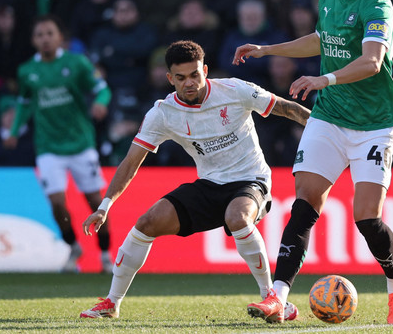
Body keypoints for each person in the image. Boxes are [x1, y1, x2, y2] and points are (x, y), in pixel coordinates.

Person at [233, 0, 393, 325]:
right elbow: (320, 40)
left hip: (374, 124)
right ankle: (277, 297)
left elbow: (372, 62)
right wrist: (267, 49)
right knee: (305, 200)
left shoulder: (377, 4)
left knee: (367, 218)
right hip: (329, 116)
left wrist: (323, 80)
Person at [78, 40, 310, 319]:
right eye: (181, 77)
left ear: (205, 70)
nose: (189, 83)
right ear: (169, 79)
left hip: (250, 179)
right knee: (146, 223)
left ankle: (271, 299)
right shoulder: (162, 113)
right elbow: (130, 161)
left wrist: (327, 134)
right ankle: (112, 303)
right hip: (209, 184)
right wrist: (104, 207)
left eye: (195, 75)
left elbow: (289, 109)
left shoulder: (235, 90)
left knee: (238, 217)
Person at [3, 14, 113, 273]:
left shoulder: (78, 63)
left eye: (49, 33)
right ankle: (73, 246)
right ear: (33, 40)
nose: (45, 39)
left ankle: (106, 254)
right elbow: (24, 104)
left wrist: (101, 103)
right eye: (39, 35)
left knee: (95, 202)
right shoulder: (27, 71)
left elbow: (103, 89)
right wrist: (14, 130)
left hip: (80, 143)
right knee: (56, 202)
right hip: (48, 146)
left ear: (60, 37)